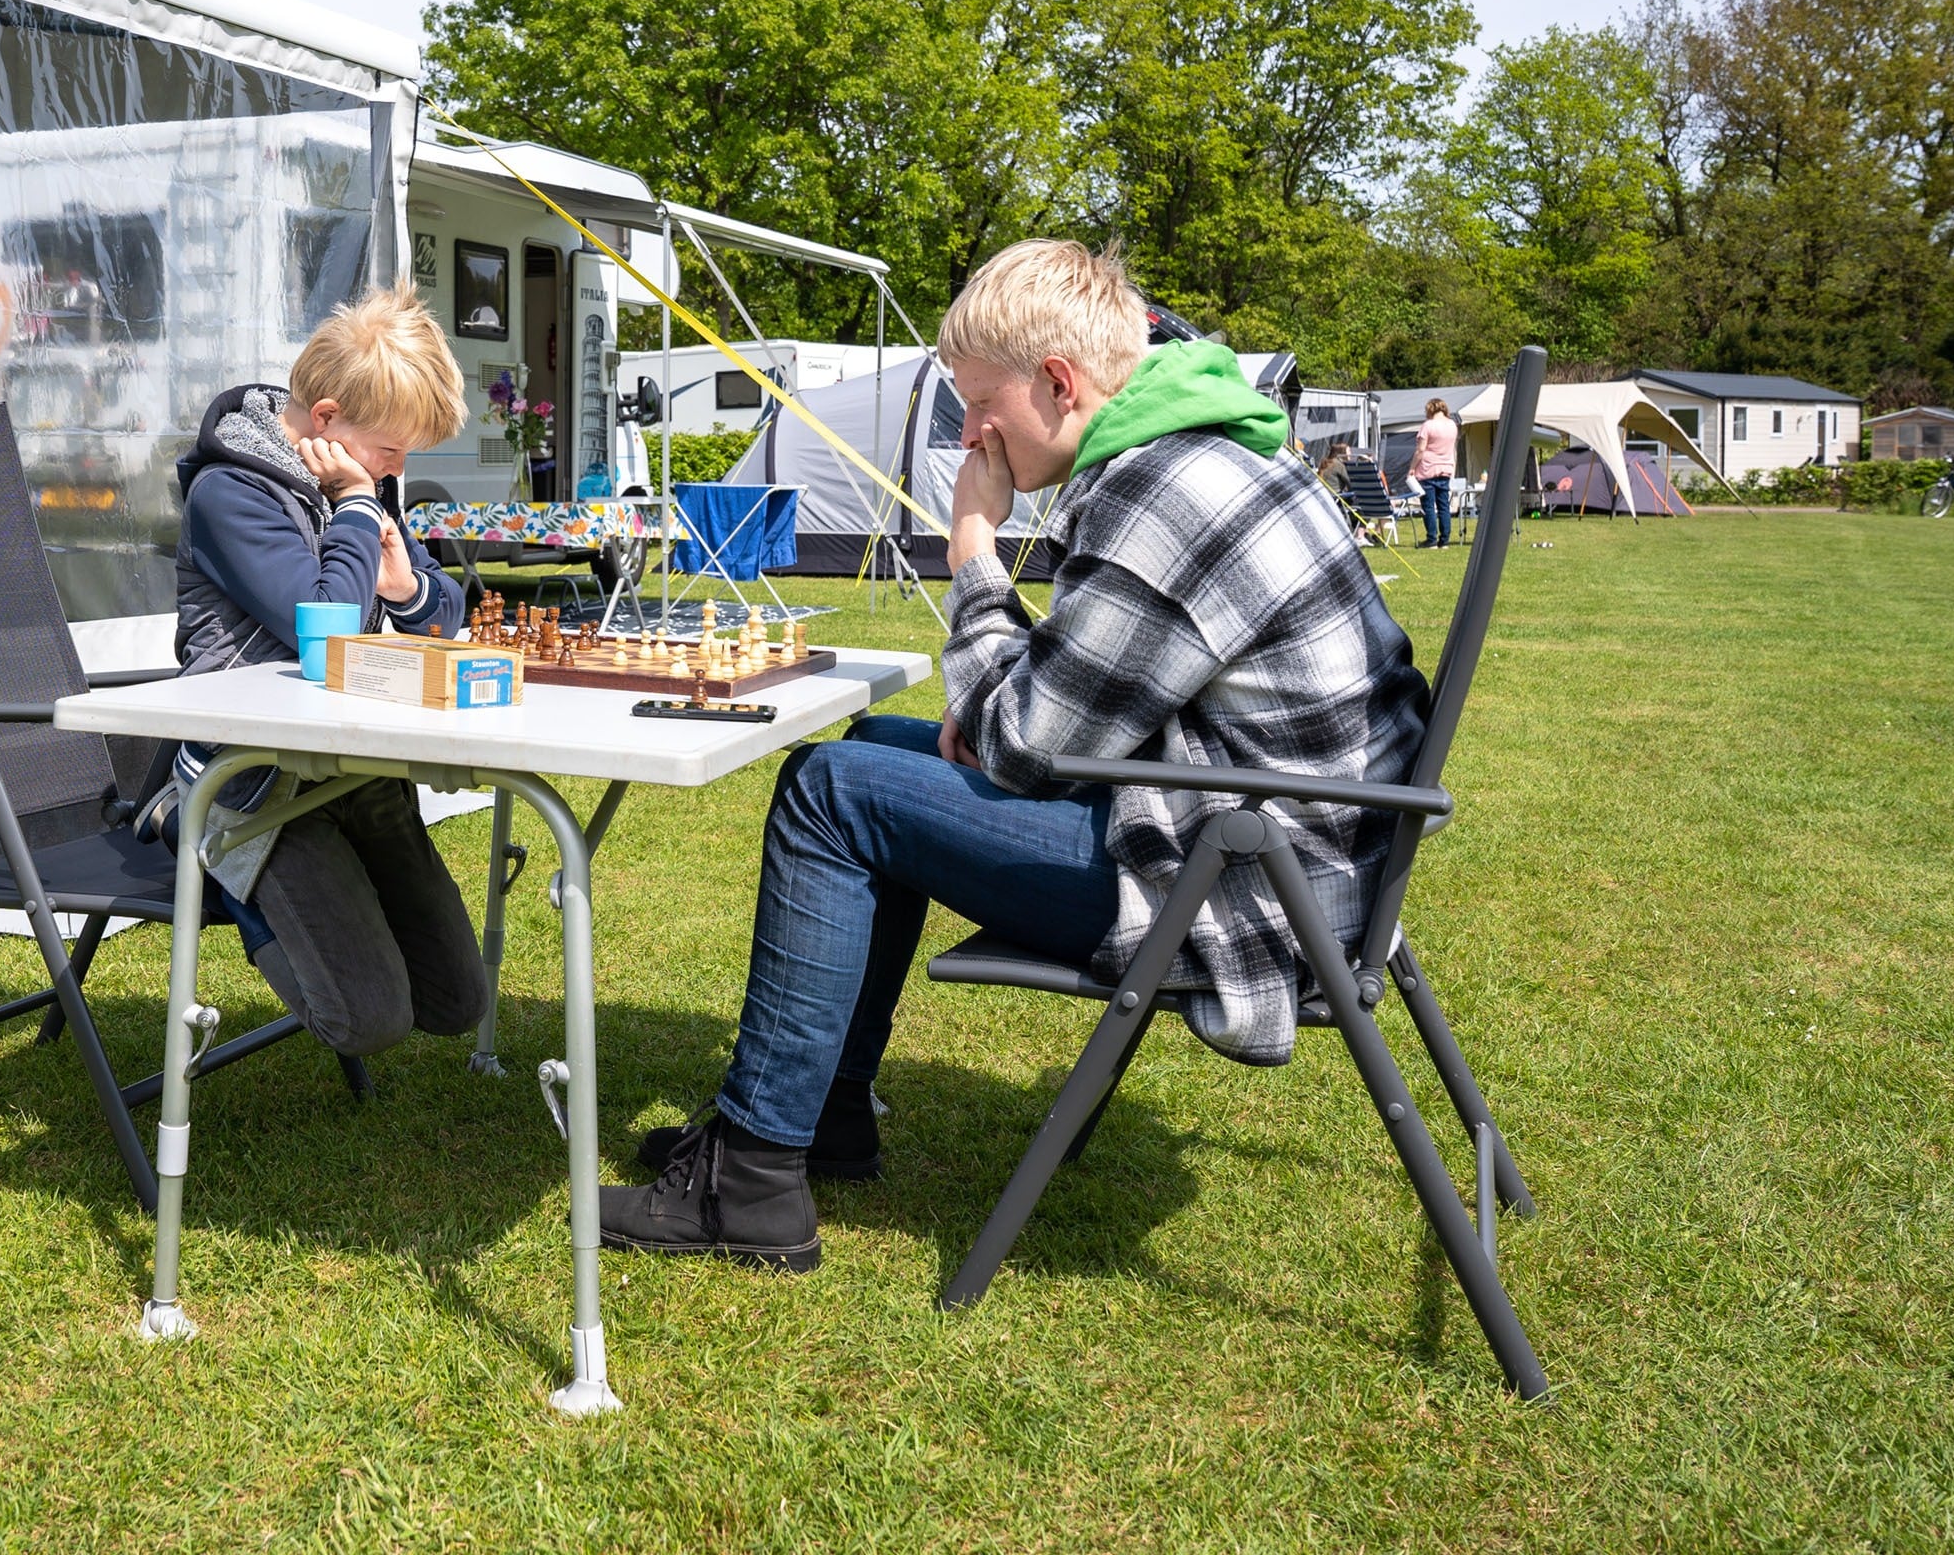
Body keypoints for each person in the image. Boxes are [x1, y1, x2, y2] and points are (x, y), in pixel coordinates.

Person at [600, 241, 1431, 1271]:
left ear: (1059, 383)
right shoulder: (1207, 450)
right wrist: (1007, 713)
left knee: (829, 791)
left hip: (1243, 893)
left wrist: (973, 551)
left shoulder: (1164, 492)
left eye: (980, 405)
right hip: (1274, 838)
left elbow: (1026, 745)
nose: (969, 436)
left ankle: (753, 1180)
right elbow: (1067, 704)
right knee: (872, 744)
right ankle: (828, 1112)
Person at [169, 287, 489, 1059]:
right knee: (368, 1023)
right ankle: (238, 885)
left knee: (458, 1000)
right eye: (391, 453)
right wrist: (354, 507)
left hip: (356, 768)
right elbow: (329, 633)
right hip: (255, 783)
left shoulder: (357, 481)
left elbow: (445, 615)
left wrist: (404, 589)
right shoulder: (229, 493)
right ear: (326, 419)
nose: (397, 472)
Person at [1411, 396, 1459, 547]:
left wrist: (1412, 468)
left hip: (1427, 469)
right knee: (1444, 506)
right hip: (1446, 469)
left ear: (1430, 409)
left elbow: (1420, 450)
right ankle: (1444, 541)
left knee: (1429, 506)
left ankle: (1431, 539)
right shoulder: (1452, 425)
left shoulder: (1428, 425)